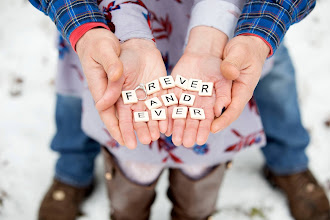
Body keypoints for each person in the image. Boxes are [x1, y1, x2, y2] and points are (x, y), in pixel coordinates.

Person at [28, 0, 329, 220]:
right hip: (111, 22)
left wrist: (255, 33)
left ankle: (289, 163)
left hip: (234, 21)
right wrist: (85, 26)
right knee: (95, 88)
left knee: (266, 84)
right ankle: (72, 169)